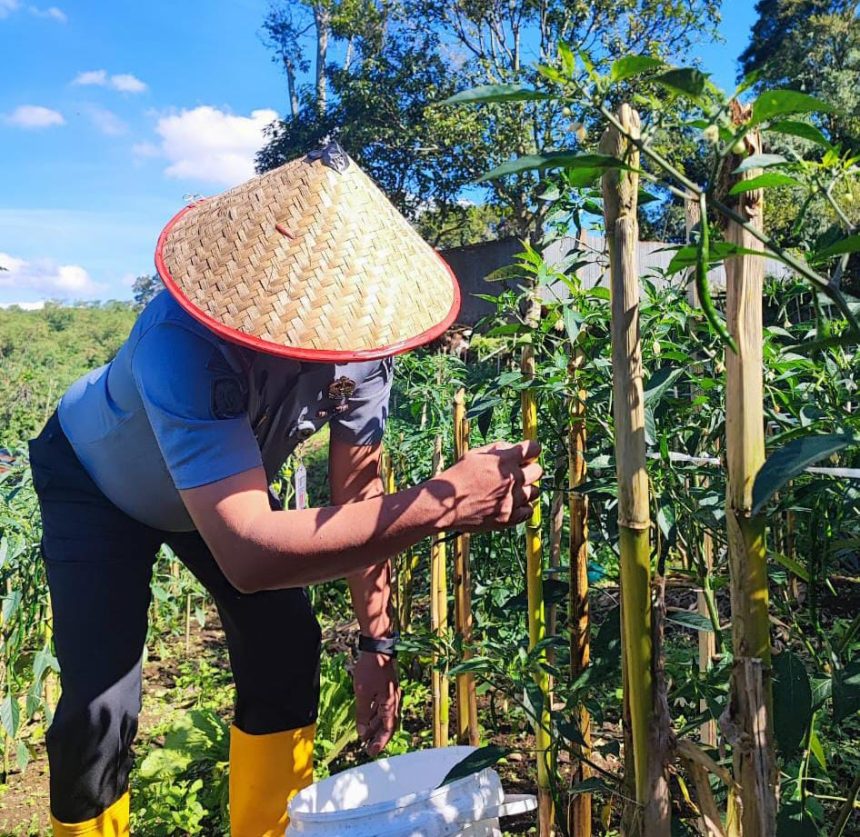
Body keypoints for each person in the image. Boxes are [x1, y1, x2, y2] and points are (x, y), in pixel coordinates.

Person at [28, 142, 542, 837]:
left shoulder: (362, 347)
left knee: (286, 643)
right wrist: (441, 503)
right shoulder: (181, 342)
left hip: (217, 495)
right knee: (101, 699)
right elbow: (249, 555)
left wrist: (378, 644)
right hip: (96, 484)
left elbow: (359, 495)